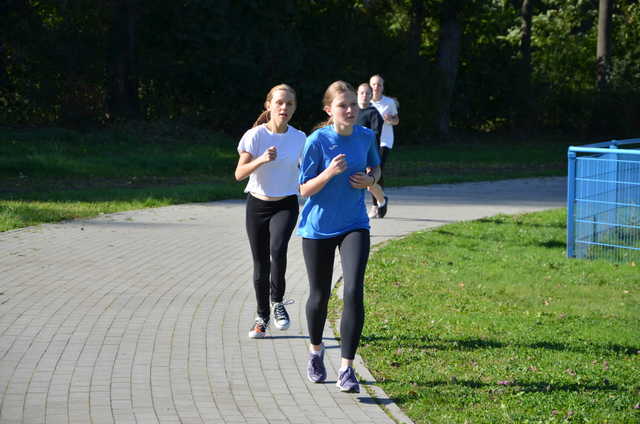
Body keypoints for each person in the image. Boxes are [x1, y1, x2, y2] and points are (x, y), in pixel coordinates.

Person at [298, 81, 381, 393]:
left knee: (353, 291)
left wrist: (370, 179)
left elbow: (376, 168)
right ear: (328, 110)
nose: (349, 110)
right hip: (318, 227)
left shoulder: (366, 136)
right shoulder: (317, 141)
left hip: (354, 224)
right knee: (319, 295)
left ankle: (347, 368)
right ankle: (316, 353)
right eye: (342, 105)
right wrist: (329, 173)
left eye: (353, 106)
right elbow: (304, 189)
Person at [234, 84, 306, 339]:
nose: (284, 108)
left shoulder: (300, 138)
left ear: (294, 108)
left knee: (278, 248)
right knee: (260, 263)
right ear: (269, 106)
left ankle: (277, 303)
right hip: (257, 205)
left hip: (285, 204)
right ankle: (261, 316)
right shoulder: (254, 136)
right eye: (279, 103)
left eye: (289, 104)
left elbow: (308, 170)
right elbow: (239, 174)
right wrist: (261, 159)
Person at [368, 74, 400, 219]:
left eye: (379, 84)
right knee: (371, 172)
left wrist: (391, 119)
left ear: (383, 87)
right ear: (370, 86)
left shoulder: (389, 102)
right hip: (369, 142)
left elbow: (396, 120)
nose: (376, 87)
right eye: (374, 84)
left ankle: (376, 205)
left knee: (377, 170)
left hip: (384, 141)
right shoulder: (365, 102)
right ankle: (381, 200)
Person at [355, 82, 385, 217]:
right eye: (362, 93)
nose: (364, 96)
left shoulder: (374, 113)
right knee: (355, 181)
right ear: (357, 94)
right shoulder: (352, 111)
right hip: (353, 151)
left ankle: (380, 201)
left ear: (371, 96)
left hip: (368, 152)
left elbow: (375, 134)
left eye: (367, 93)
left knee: (369, 183)